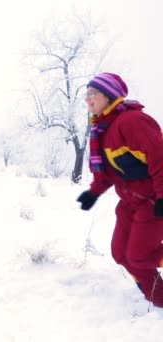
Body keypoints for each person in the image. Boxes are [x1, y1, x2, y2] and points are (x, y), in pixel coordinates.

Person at [77, 72, 163, 307]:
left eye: (92, 93)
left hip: (152, 200)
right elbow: (110, 173)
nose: (88, 99)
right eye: (86, 95)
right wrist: (94, 191)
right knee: (120, 253)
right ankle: (159, 297)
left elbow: (160, 158)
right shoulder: (103, 131)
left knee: (139, 255)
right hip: (130, 202)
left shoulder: (132, 121)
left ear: (109, 95)